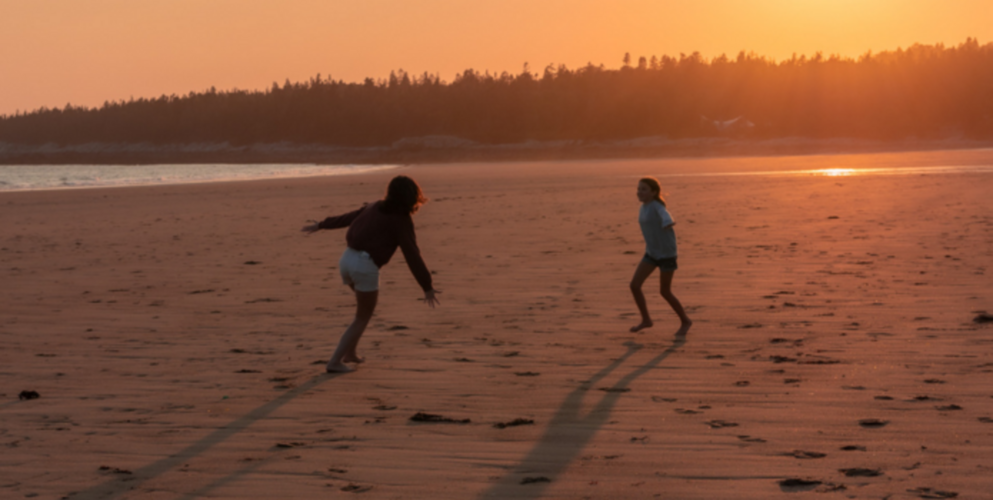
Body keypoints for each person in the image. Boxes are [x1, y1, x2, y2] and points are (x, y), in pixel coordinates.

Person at [302, 175, 440, 373]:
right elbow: (412, 254)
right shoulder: (401, 220)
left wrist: (322, 224)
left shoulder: (374, 206)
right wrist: (427, 286)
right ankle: (334, 362)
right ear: (412, 195)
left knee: (362, 312)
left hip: (346, 260)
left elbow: (349, 217)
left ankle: (351, 353)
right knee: (362, 316)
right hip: (364, 265)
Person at [629, 177, 692, 335]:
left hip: (666, 255)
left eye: (644, 189)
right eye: (638, 189)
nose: (639, 192)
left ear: (654, 192)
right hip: (651, 253)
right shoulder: (643, 207)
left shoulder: (657, 206)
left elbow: (666, 215)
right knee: (634, 285)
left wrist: (667, 222)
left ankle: (685, 320)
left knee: (665, 291)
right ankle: (646, 320)